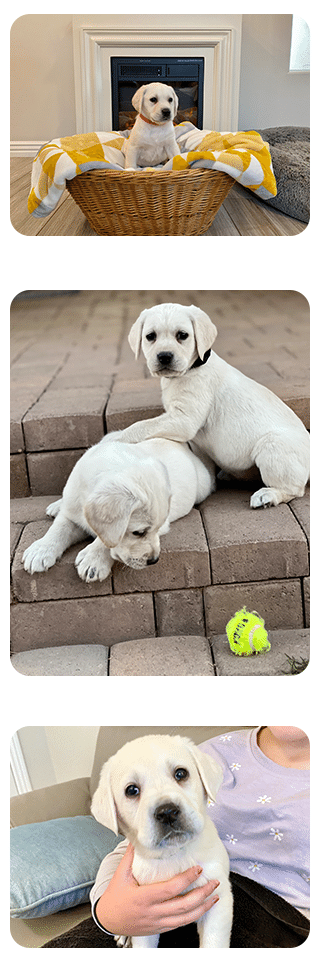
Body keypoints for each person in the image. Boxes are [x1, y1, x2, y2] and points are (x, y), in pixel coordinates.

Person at [89, 727, 309, 948]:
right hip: (156, 905)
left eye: (179, 775)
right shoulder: (211, 752)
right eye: (132, 791)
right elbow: (127, 851)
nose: (166, 809)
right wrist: (108, 913)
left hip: (285, 921)